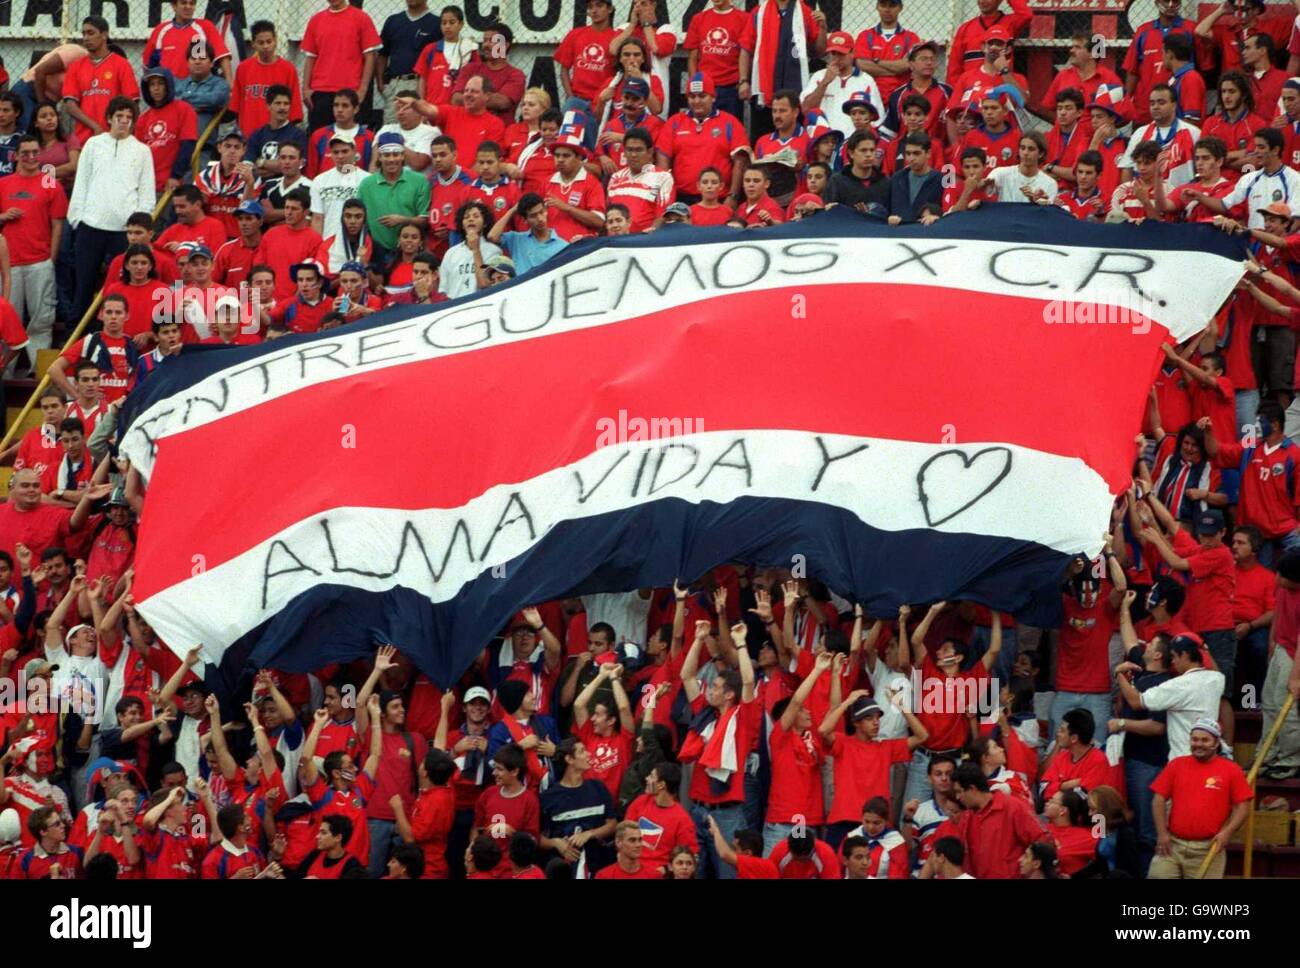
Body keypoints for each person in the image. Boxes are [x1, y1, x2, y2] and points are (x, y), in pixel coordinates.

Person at [66, 97, 155, 326]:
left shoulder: (142, 151)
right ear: (109, 119)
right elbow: (81, 184)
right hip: (91, 228)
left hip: (124, 232)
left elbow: (146, 191)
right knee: (83, 286)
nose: (124, 122)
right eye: (119, 117)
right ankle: (74, 340)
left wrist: (139, 229)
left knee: (124, 286)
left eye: (128, 118)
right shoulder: (93, 145)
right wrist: (77, 220)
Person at [1149, 718, 1252, 878]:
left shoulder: (1231, 769)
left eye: (1205, 740)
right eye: (1195, 739)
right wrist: (1162, 833)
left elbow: (1243, 806)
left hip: (1209, 848)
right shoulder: (1177, 764)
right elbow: (1158, 798)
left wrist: (1227, 833)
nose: (1198, 744)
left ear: (1216, 743)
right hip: (1172, 844)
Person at [0, 133, 66, 370]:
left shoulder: (50, 184)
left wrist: (52, 257)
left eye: (34, 152)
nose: (30, 157)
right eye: (25, 153)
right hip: (8, 266)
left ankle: (39, 373)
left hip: (39, 261)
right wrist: (3, 217)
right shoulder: (3, 184)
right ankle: (5, 373)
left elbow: (58, 224)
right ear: (15, 155)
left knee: (42, 320)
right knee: (7, 321)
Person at [654, 72, 747, 203]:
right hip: (682, 199)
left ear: (713, 97)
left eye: (702, 96)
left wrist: (733, 196)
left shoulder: (730, 122)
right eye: (692, 96)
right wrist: (668, 194)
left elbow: (740, 161)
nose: (697, 101)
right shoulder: (675, 122)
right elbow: (663, 159)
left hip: (719, 200)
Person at [952, 761, 1046, 879]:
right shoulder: (966, 818)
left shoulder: (1013, 807)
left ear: (972, 788)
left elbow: (1042, 841)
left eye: (959, 791)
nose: (957, 797)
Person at [300, 0, 382, 131]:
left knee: (348, 141)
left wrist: (362, 89)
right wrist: (305, 89)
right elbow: (310, 57)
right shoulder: (316, 20)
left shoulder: (361, 18)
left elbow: (370, 56)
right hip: (320, 91)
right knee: (320, 139)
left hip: (350, 90)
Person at [62, 17, 141, 144]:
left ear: (104, 35)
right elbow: (70, 105)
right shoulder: (75, 67)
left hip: (115, 137)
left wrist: (120, 128)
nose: (86, 38)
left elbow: (132, 103)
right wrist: (94, 126)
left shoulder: (121, 64)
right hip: (84, 139)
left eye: (91, 33)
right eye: (84, 34)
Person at [356, 132, 430, 261]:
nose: (391, 159)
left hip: (411, 251)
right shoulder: (366, 185)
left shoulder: (419, 181)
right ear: (379, 157)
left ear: (402, 156)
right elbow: (360, 221)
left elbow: (425, 220)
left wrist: (403, 220)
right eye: (386, 155)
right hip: (377, 251)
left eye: (395, 154)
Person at [232, 22, 303, 139]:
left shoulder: (288, 69)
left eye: (269, 41)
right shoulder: (243, 68)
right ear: (253, 44)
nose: (265, 46)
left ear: (275, 40)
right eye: (261, 42)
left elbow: (294, 110)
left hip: (278, 136)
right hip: (249, 135)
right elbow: (236, 107)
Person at [376, 0, 441, 126]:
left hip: (420, 85)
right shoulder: (393, 21)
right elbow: (382, 54)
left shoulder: (436, 23)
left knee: (421, 127)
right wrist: (380, 83)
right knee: (391, 128)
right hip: (395, 83)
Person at [684, 0, 748, 120]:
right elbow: (693, 57)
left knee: (729, 129)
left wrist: (743, 81)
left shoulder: (744, 19)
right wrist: (695, 86)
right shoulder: (699, 19)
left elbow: (745, 54)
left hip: (730, 88)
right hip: (704, 89)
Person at [255, 188, 323, 302]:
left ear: (306, 212)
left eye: (294, 209)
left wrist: (293, 302)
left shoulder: (314, 239)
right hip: (268, 302)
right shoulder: (271, 233)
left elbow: (312, 277)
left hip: (296, 304)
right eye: (287, 207)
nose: (289, 212)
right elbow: (258, 269)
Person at [454, 24, 526, 124]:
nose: (486, 45)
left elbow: (502, 103)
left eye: (492, 41)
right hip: (469, 128)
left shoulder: (516, 75)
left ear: (505, 45)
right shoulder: (470, 69)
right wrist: (490, 98)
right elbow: (456, 99)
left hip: (500, 133)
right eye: (485, 40)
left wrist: (469, 97)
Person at [487, 192, 569, 275]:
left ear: (546, 210)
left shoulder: (563, 246)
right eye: (533, 216)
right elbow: (492, 236)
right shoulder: (516, 239)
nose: (540, 219)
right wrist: (512, 210)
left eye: (542, 212)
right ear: (524, 220)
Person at [246, 87, 309, 179]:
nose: (282, 107)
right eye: (278, 103)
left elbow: (296, 167)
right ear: (268, 106)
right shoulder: (257, 134)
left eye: (286, 104)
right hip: (258, 188)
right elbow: (247, 167)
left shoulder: (298, 135)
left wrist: (261, 162)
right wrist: (276, 168)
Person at [885, 131, 942, 224]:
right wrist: (889, 218)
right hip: (897, 234)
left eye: (916, 153)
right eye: (908, 153)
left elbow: (948, 212)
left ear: (928, 153)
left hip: (925, 235)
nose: (911, 158)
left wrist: (936, 217)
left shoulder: (940, 180)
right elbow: (886, 209)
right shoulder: (896, 179)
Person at [988, 131, 1059, 204]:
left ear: (1041, 153)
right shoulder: (1000, 173)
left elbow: (1047, 212)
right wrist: (983, 184)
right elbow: (987, 187)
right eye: (1022, 148)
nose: (1025, 153)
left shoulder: (1050, 184)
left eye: (1031, 149)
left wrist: (1036, 202)